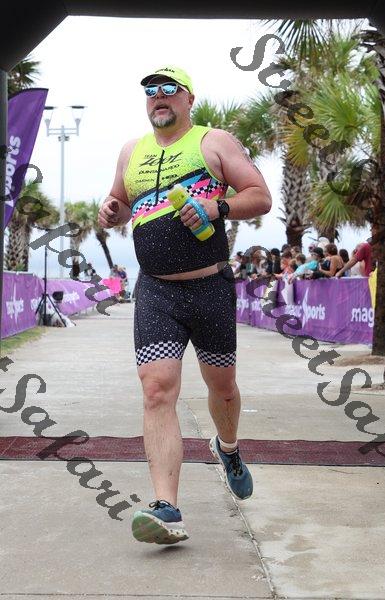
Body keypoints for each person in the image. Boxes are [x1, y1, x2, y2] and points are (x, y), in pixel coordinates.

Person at [98, 65, 272, 545]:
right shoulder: (131, 152)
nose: (158, 96)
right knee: (156, 390)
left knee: (224, 389)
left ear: (188, 98)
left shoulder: (214, 142)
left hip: (210, 288)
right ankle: (166, 507)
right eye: (150, 91)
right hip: (156, 291)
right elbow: (120, 204)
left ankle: (228, 447)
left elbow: (260, 197)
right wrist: (111, 210)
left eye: (168, 89)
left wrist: (217, 207)